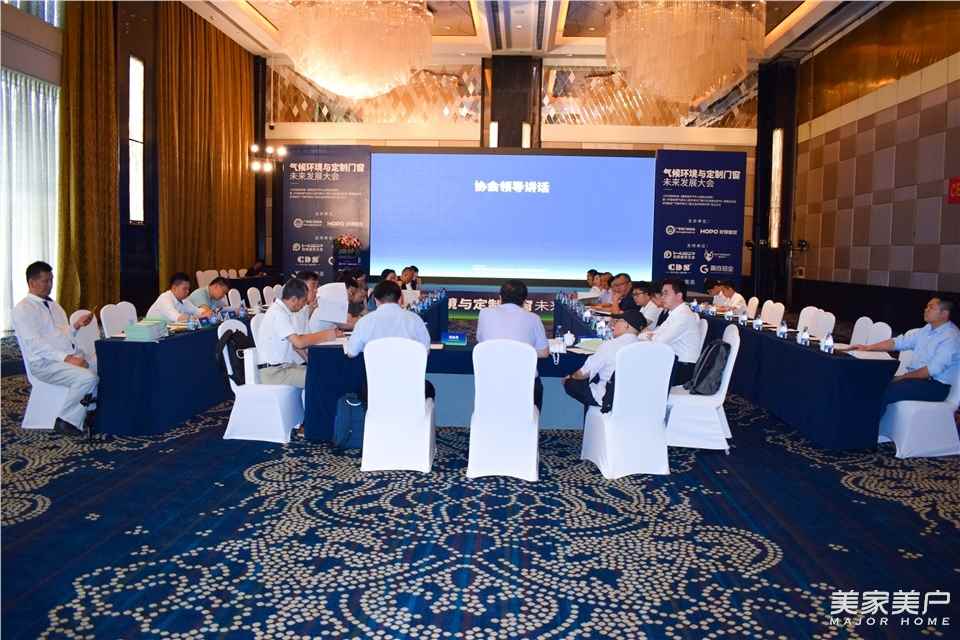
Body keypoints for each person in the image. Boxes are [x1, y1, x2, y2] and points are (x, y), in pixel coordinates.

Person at [12, 261, 98, 437]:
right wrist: (67, 359)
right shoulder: (23, 309)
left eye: (51, 280)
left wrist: (76, 325)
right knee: (87, 377)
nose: (50, 285)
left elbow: (61, 335)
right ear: (32, 282)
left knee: (105, 361)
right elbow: (35, 344)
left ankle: (92, 409)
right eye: (45, 281)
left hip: (63, 357)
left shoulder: (53, 305)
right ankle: (66, 420)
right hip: (44, 364)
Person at [851, 298, 960, 410]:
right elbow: (899, 342)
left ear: (944, 313)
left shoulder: (951, 337)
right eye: (927, 306)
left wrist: (902, 377)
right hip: (916, 379)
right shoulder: (927, 329)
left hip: (935, 386)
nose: (926, 310)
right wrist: (868, 347)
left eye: (931, 307)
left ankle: (869, 420)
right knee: (872, 382)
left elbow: (930, 370)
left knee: (885, 391)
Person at [345, 280, 435, 399]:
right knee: (429, 389)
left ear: (376, 300)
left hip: (373, 389)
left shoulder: (365, 322)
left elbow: (351, 353)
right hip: (410, 387)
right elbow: (425, 351)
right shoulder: (415, 319)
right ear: (400, 298)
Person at [476, 280, 550, 410]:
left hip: (491, 383)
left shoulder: (484, 313)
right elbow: (544, 353)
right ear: (525, 300)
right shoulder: (534, 318)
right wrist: (525, 351)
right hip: (525, 384)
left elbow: (482, 342)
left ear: (500, 297)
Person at [257, 278, 342, 388]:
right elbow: (299, 343)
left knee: (326, 371)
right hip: (274, 373)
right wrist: (327, 335)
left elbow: (297, 344)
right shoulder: (278, 313)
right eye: (303, 301)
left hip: (285, 368)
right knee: (321, 377)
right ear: (293, 299)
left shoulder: (285, 311)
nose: (304, 304)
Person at [562, 310, 646, 410]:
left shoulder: (610, 345)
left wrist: (570, 378)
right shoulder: (645, 348)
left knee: (572, 382)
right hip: (635, 399)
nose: (613, 325)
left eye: (618, 321)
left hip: (608, 399)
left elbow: (583, 373)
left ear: (626, 325)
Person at [644, 278, 701, 387]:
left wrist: (652, 336)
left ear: (679, 296)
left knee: (641, 373)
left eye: (666, 294)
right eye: (662, 294)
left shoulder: (683, 315)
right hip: (673, 362)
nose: (662, 297)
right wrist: (652, 336)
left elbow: (659, 341)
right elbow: (655, 333)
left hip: (683, 369)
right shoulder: (674, 313)